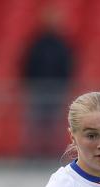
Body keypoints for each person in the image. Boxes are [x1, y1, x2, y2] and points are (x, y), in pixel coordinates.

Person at [22, 4, 74, 155]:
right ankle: (33, 154)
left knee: (55, 125)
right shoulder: (36, 42)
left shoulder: (63, 43)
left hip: (57, 89)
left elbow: (69, 65)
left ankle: (54, 154)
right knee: (35, 124)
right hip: (37, 89)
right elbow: (27, 64)